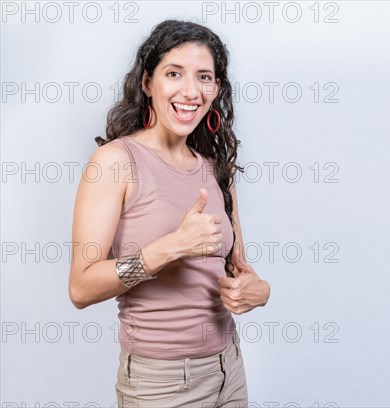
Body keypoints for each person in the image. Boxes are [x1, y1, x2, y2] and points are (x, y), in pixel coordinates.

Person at [68, 19, 271, 407]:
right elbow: (81, 287)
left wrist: (259, 291)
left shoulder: (216, 169)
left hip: (229, 368)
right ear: (148, 83)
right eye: (174, 73)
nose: (190, 90)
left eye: (204, 77)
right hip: (160, 383)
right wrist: (170, 248)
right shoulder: (115, 161)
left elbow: (239, 269)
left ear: (216, 90)